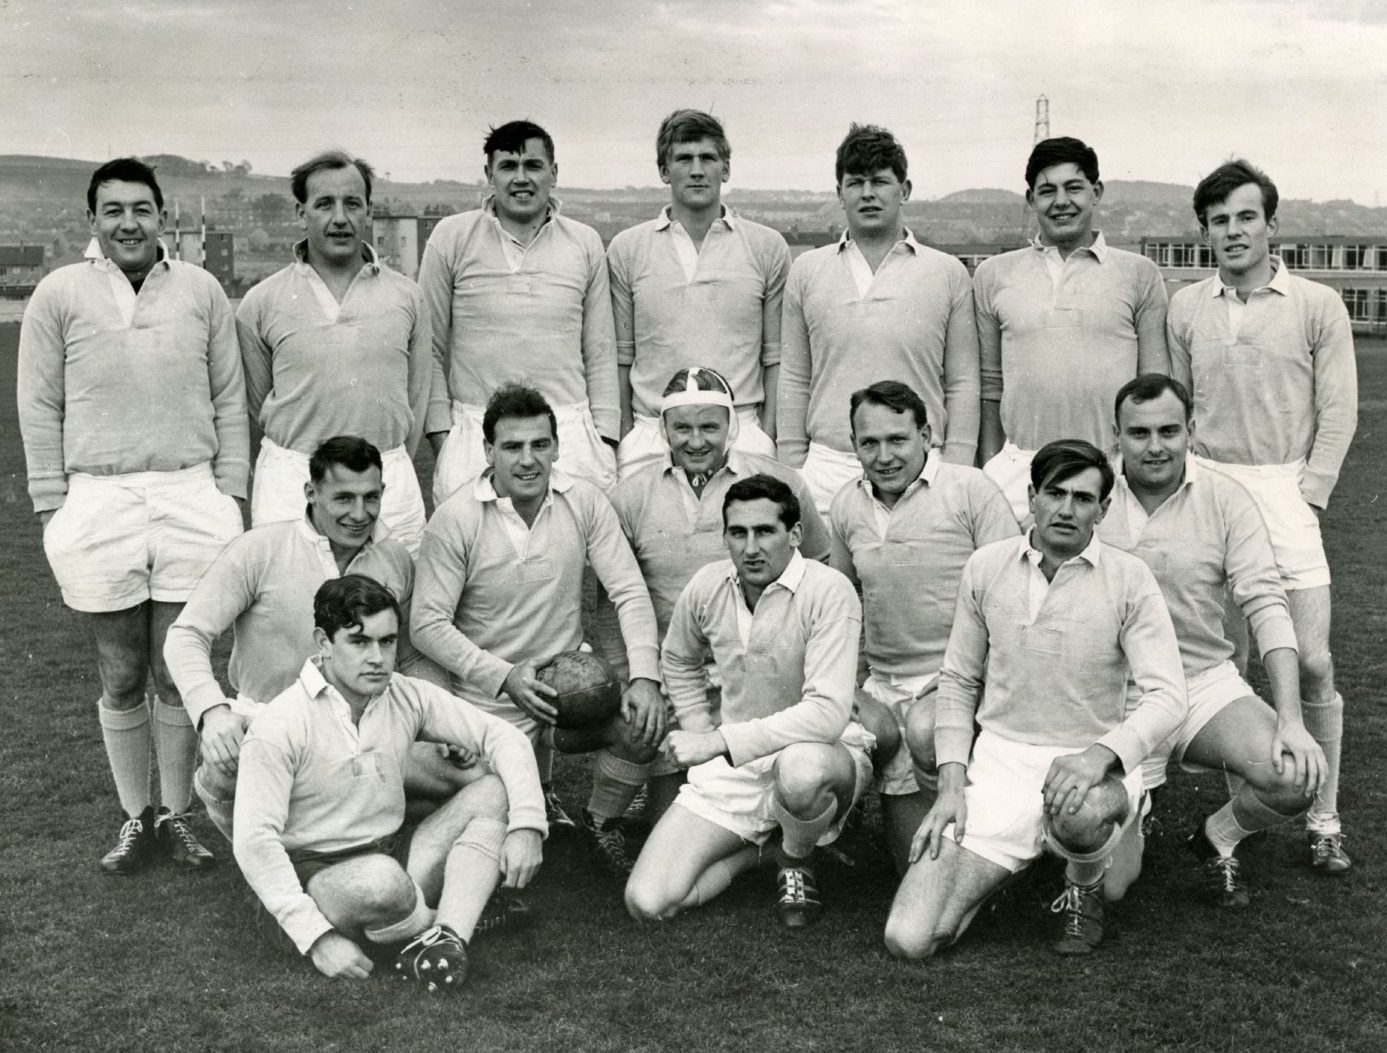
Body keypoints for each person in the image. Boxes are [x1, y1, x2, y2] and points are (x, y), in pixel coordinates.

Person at [18, 157, 247, 874]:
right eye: (113, 209)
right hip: (99, 496)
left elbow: (231, 397)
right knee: (120, 671)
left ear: (162, 216)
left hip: (188, 490)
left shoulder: (203, 290)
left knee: (180, 668)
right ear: (92, 220)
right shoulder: (58, 293)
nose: (128, 222)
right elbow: (39, 403)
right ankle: (133, 816)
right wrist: (54, 503)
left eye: (141, 208)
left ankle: (178, 815)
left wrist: (229, 490)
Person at [885, 440, 1185, 957]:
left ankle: (1084, 882)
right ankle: (1019, 867)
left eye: (1084, 498)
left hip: (1090, 767)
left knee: (1081, 818)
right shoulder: (985, 566)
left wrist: (1098, 758)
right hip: (1001, 763)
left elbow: (1168, 696)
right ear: (1031, 496)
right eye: (1055, 493)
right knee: (910, 939)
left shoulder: (1130, 578)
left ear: (1103, 509)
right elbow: (957, 681)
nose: (1067, 510)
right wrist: (952, 788)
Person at [1168, 159, 1358, 873]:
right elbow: (1176, 407)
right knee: (1228, 668)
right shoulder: (1185, 306)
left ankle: (1324, 815)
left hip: (1285, 490)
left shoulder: (1315, 303)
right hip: (1210, 492)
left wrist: (1307, 492)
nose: (1232, 231)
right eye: (1218, 220)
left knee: (1312, 661)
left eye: (1245, 216)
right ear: (1205, 232)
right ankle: (1232, 833)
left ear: (1270, 225)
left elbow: (1338, 408)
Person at [234, 575, 546, 990]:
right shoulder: (281, 723)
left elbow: (501, 735)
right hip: (315, 876)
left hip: (394, 853)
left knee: (495, 790)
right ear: (323, 643)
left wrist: (527, 824)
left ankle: (446, 937)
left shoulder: (404, 694)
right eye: (359, 642)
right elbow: (255, 842)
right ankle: (450, 914)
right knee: (381, 881)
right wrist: (317, 939)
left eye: (388, 641)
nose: (378, 657)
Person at [1100, 374, 1324, 908]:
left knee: (1292, 776)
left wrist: (1290, 719)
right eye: (1139, 433)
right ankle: (1137, 808)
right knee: (1111, 887)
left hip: (1199, 682)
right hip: (1114, 693)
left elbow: (1267, 606)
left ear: (1192, 430)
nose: (1155, 447)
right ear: (1116, 436)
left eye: (1169, 431)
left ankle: (1216, 837)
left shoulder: (1226, 498)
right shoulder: (1090, 492)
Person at [593, 367, 831, 863]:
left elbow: (820, 573)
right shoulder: (630, 495)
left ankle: (785, 837)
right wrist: (635, 678)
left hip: (755, 672)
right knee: (645, 745)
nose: (696, 441)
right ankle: (603, 819)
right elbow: (609, 598)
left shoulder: (780, 482)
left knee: (766, 781)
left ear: (732, 426)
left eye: (709, 427)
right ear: (663, 430)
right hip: (671, 672)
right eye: (682, 428)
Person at [165, 436, 453, 841]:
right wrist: (212, 712)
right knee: (226, 769)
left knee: (467, 774)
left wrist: (447, 725)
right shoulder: (260, 549)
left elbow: (410, 659)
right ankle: (273, 852)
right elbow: (186, 634)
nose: (359, 513)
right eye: (343, 499)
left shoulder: (395, 559)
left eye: (371, 498)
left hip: (368, 737)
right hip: (273, 730)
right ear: (311, 493)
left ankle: (366, 835)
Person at [411, 384, 664, 838]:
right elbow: (426, 624)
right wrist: (505, 677)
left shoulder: (584, 501)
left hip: (566, 694)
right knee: (491, 808)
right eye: (512, 447)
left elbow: (628, 589)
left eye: (539, 445)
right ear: (488, 450)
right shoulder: (454, 519)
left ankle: (602, 825)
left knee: (639, 725)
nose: (527, 460)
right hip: (487, 702)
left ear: (556, 447)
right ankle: (528, 787)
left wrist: (644, 678)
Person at [625, 474, 873, 929]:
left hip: (821, 753)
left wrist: (716, 741)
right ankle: (762, 851)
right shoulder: (708, 584)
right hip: (738, 764)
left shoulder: (829, 590)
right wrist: (699, 725)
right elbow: (678, 658)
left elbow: (827, 713)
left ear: (795, 535)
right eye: (737, 533)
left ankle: (795, 857)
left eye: (765, 532)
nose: (750, 547)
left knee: (801, 773)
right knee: (648, 902)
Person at [828, 381, 1018, 870]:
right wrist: (847, 684)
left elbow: (1015, 599)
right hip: (885, 685)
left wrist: (963, 676)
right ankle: (829, 832)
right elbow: (843, 604)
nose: (884, 455)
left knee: (928, 736)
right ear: (853, 445)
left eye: (898, 439)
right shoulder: (847, 504)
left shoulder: (970, 489)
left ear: (927, 434)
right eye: (869, 443)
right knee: (907, 867)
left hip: (958, 683)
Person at [237, 150, 432, 554]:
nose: (339, 218)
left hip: (386, 484)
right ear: (300, 211)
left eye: (352, 204)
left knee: (391, 608)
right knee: (291, 608)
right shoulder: (261, 301)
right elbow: (258, 405)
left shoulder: (408, 297)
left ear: (369, 211)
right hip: (292, 483)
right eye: (324, 204)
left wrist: (381, 465)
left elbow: (416, 397)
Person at [778, 123, 980, 513]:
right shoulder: (806, 270)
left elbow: (963, 380)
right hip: (828, 467)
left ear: (904, 190)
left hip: (919, 466)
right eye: (855, 183)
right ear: (839, 193)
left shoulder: (948, 272)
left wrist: (954, 465)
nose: (867, 194)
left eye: (880, 182)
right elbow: (794, 376)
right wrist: (793, 465)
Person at [418, 120, 618, 502]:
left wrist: (604, 438)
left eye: (533, 166)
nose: (521, 178)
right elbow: (427, 347)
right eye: (508, 166)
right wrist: (443, 438)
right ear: (489, 174)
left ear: (554, 173)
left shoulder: (585, 242)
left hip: (568, 433)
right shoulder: (450, 237)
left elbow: (601, 349)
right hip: (477, 432)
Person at [974, 137, 1169, 522]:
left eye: (1073, 188)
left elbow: (1154, 386)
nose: (1061, 202)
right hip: (1018, 470)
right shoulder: (992, 275)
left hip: (1108, 466)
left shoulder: (1139, 274)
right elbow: (990, 387)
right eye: (1047, 191)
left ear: (1096, 192)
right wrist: (993, 466)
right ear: (1031, 199)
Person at [607, 110, 790, 478]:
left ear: (725, 169)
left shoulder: (767, 246)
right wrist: (629, 435)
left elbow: (776, 358)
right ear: (663, 170)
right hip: (652, 434)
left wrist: (764, 436)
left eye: (708, 158)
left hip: (740, 430)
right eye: (683, 159)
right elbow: (621, 357)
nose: (696, 170)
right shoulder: (627, 249)